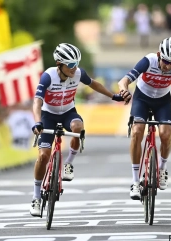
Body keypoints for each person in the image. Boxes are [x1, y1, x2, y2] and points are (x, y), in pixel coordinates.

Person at [30, 43, 129, 216]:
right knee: (44, 155)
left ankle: (68, 163)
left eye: (76, 63)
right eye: (70, 65)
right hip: (48, 116)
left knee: (77, 127)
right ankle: (36, 196)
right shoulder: (48, 77)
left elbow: (94, 84)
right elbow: (37, 102)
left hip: (68, 112)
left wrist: (113, 96)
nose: (74, 68)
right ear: (59, 63)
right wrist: (38, 122)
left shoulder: (78, 74)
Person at [117, 37, 171, 200]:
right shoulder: (148, 61)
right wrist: (124, 90)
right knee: (137, 131)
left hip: (162, 101)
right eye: (166, 61)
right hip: (142, 98)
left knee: (166, 134)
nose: (168, 66)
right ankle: (134, 180)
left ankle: (162, 169)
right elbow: (123, 81)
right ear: (159, 55)